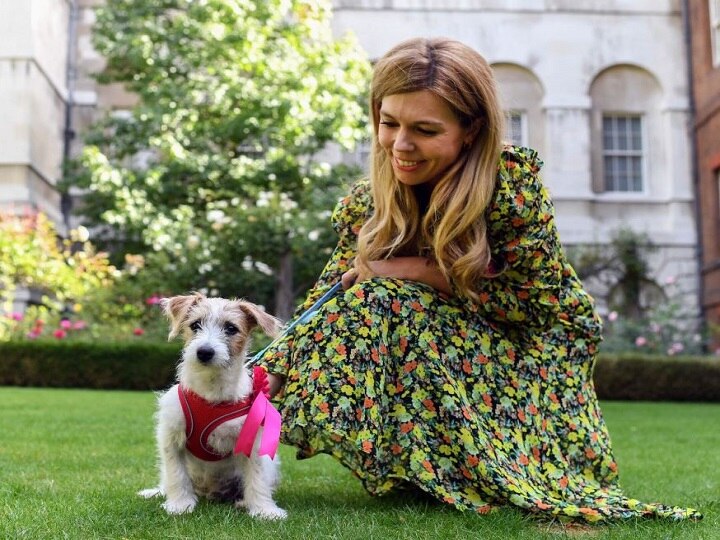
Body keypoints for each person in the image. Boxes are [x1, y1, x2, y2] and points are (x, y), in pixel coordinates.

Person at [258, 37, 701, 523]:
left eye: (425, 130)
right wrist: (264, 382)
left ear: (471, 130)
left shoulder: (510, 189)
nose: (400, 145)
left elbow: (529, 306)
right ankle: (431, 467)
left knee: (389, 297)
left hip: (534, 348)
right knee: (372, 303)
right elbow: (332, 295)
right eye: (389, 123)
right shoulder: (373, 201)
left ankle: (486, 462)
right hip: (444, 329)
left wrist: (412, 269)